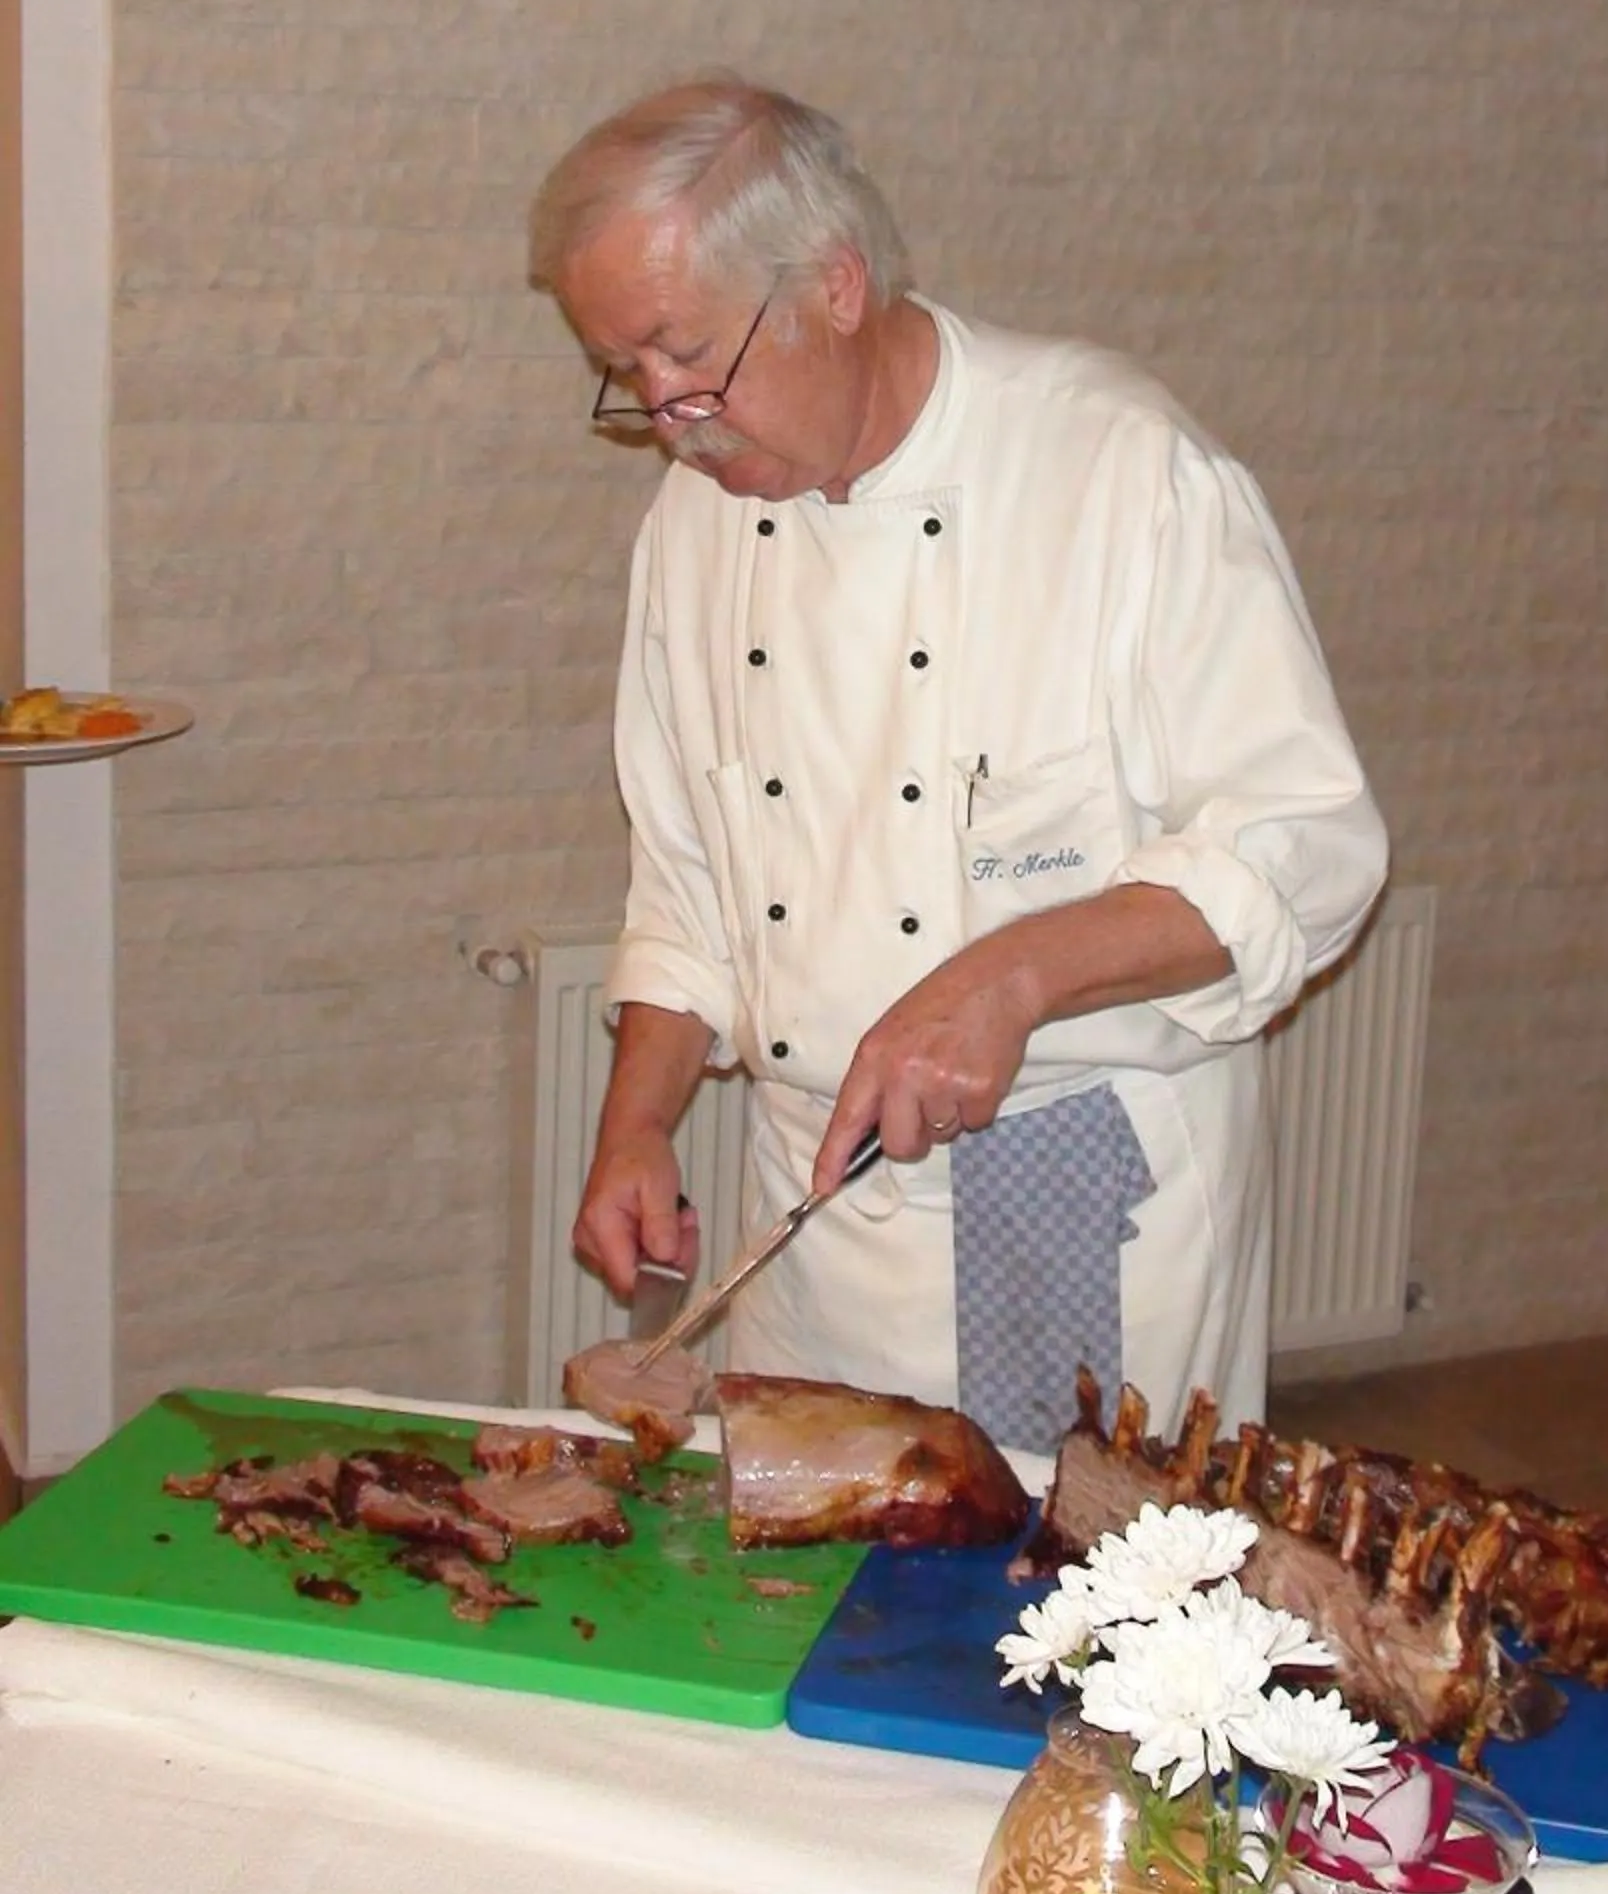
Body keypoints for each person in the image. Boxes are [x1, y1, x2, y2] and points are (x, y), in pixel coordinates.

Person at [528, 77, 1388, 1452]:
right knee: (811, 1610)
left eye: (687, 358)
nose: (670, 418)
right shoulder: (693, 530)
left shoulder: (1115, 468)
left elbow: (1308, 846)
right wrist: (637, 1126)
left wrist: (1007, 978)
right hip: (811, 1225)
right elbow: (687, 881)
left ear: (835, 285)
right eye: (628, 377)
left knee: (1056, 1630)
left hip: (1065, 1188)